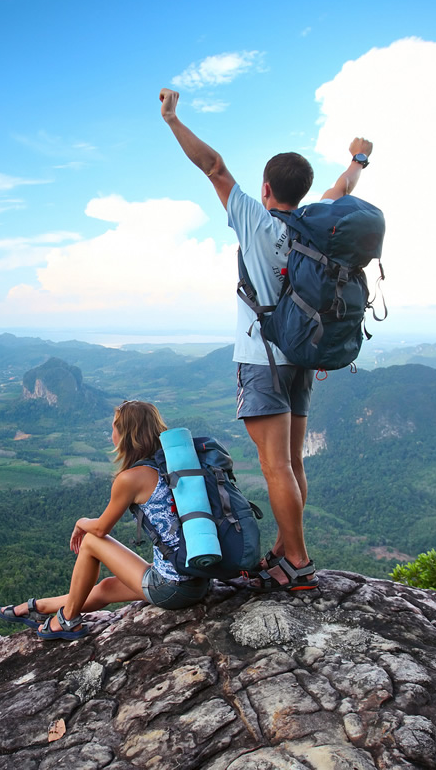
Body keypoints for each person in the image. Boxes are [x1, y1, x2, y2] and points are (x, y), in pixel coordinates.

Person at [159, 87, 373, 592]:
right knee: (293, 462)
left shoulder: (256, 220)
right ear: (303, 190)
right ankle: (285, 547)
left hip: (263, 360)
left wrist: (172, 119)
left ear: (265, 186)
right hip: (302, 355)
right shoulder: (313, 226)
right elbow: (342, 190)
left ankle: (296, 562)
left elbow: (212, 165)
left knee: (274, 465)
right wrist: (359, 158)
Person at [0, 400, 209, 639]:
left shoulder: (132, 478)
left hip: (173, 588)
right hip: (197, 579)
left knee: (90, 542)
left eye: (114, 429)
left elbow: (100, 528)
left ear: (127, 435)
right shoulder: (175, 465)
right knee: (106, 587)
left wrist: (81, 521)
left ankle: (67, 619)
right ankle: (37, 607)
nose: (111, 436)